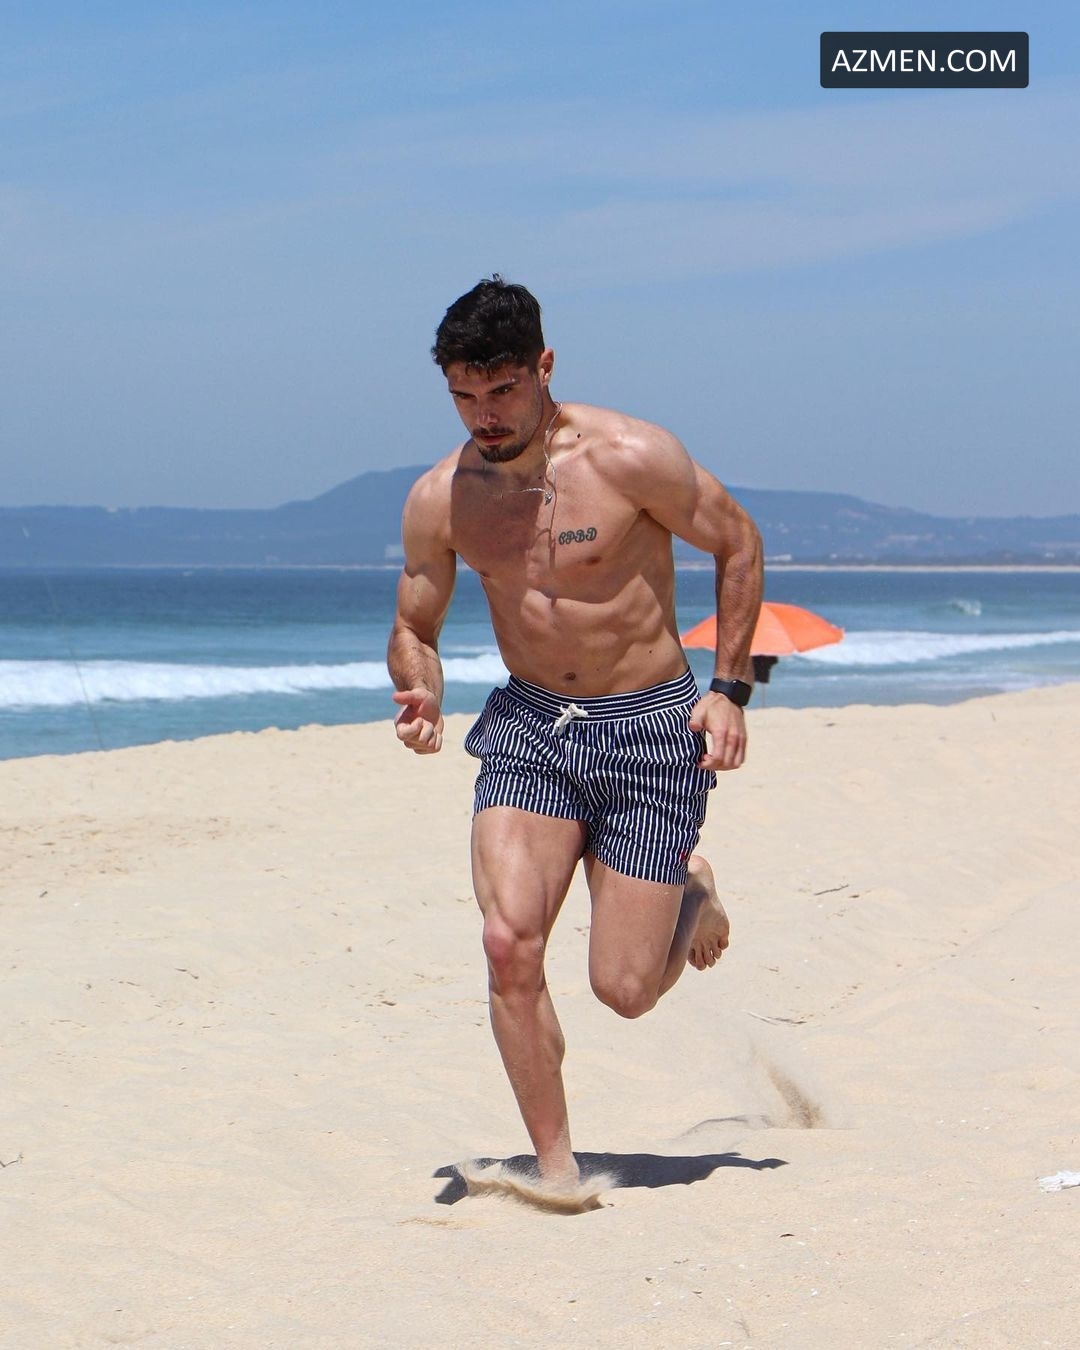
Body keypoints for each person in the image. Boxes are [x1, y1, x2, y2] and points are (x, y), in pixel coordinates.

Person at [387, 277, 763, 1189]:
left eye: (502, 389)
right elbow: (414, 625)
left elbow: (738, 543)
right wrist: (421, 689)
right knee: (507, 943)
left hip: (648, 728)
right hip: (531, 726)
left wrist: (729, 691)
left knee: (624, 991)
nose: (485, 415)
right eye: (464, 396)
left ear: (544, 366)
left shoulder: (631, 455)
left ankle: (690, 889)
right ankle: (557, 1171)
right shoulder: (442, 498)